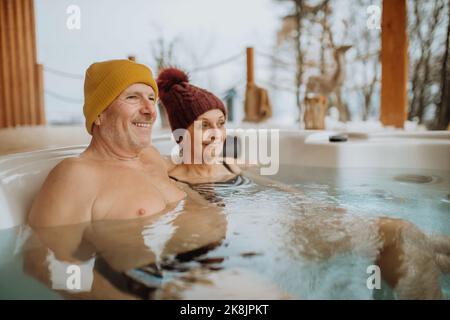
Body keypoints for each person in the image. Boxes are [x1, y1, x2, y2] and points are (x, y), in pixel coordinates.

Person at [155, 67, 450, 299]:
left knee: (414, 236)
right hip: (263, 239)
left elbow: (275, 190)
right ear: (180, 131)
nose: (217, 134)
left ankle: (428, 252)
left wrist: (319, 209)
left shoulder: (231, 163)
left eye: (220, 124)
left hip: (293, 220)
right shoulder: (170, 176)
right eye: (204, 125)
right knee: (398, 232)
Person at [28, 59, 186, 227]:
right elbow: (47, 251)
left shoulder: (151, 155)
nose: (150, 110)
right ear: (98, 114)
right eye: (133, 97)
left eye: (151, 98)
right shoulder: (75, 176)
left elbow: (190, 173)